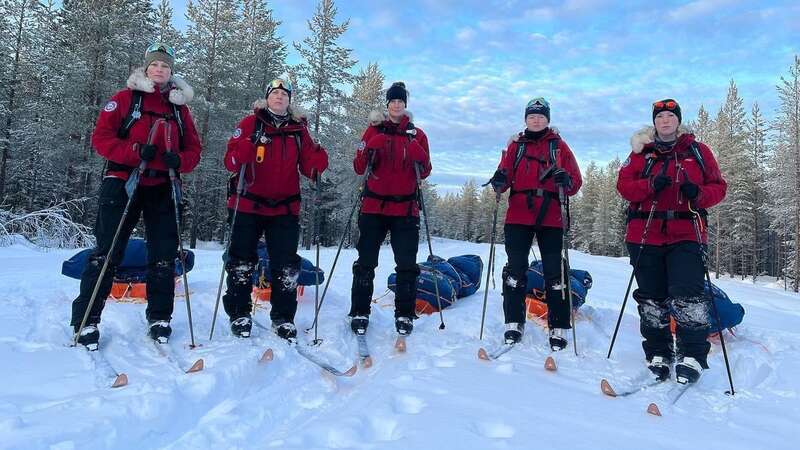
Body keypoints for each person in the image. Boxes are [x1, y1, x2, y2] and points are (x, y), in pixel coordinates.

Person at [70, 42, 202, 349]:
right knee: (107, 253)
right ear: (146, 68)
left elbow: (194, 149)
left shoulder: (180, 109)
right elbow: (101, 139)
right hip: (124, 181)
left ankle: (159, 317)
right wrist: (133, 151)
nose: (159, 70)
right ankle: (86, 320)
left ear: (171, 72)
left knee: (164, 256)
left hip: (164, 185)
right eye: (155, 65)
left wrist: (179, 160)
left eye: (165, 67)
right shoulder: (125, 99)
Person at [617, 99, 727, 384]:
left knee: (687, 293)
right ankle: (658, 352)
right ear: (654, 122)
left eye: (670, 116)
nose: (665, 121)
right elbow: (624, 186)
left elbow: (718, 187)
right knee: (652, 297)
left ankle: (692, 355)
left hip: (687, 231)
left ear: (678, 120)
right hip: (644, 233)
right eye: (660, 117)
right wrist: (650, 186)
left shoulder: (697, 151)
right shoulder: (640, 153)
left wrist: (698, 193)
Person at [222, 78, 328, 340]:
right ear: (267, 97)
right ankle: (239, 313)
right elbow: (230, 161)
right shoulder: (250, 123)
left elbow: (309, 166)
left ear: (289, 100)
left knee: (286, 266)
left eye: (284, 94)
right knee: (241, 262)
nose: (279, 97)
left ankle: (282, 317)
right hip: (247, 202)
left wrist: (317, 158)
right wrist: (243, 150)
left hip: (284, 207)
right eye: (275, 93)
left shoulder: (298, 130)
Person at [487, 98, 582, 350]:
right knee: (515, 270)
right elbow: (503, 179)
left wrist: (565, 179)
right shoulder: (515, 146)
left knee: (555, 272)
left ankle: (558, 325)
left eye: (540, 116)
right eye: (532, 116)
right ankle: (513, 322)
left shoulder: (559, 146)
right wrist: (498, 180)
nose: (536, 120)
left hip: (551, 216)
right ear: (526, 119)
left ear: (547, 119)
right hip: (518, 216)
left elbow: (575, 183)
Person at [348, 82, 431, 337]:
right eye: (393, 101)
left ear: (405, 104)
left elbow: (425, 170)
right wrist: (371, 146)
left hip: (406, 209)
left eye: (400, 101)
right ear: (387, 104)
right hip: (374, 206)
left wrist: (416, 150)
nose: (396, 105)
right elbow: (359, 166)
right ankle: (360, 311)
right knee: (366, 262)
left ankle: (404, 314)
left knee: (406, 264)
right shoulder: (373, 130)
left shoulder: (417, 135)